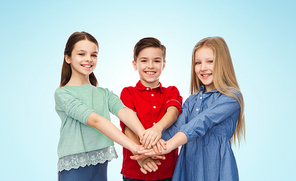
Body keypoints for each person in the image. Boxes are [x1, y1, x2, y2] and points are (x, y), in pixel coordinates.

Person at [134, 36, 245, 181]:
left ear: (223, 63)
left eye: (210, 61)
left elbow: (200, 123)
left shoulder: (231, 97)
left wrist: (167, 147)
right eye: (198, 63)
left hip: (216, 169)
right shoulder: (191, 101)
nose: (203, 68)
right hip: (188, 167)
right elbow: (175, 129)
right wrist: (149, 146)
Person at [54, 31, 147, 181]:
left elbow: (124, 111)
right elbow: (96, 121)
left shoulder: (104, 93)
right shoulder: (63, 94)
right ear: (68, 58)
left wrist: (144, 135)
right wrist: (134, 147)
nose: (88, 59)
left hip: (100, 163)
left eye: (94, 55)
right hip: (74, 169)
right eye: (81, 54)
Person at [120, 37, 183, 181]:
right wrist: (141, 157)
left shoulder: (171, 91)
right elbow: (128, 127)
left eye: (156, 60)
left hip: (168, 170)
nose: (151, 65)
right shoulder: (128, 92)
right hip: (135, 171)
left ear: (163, 64)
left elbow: (173, 112)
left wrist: (158, 128)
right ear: (135, 64)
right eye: (144, 60)